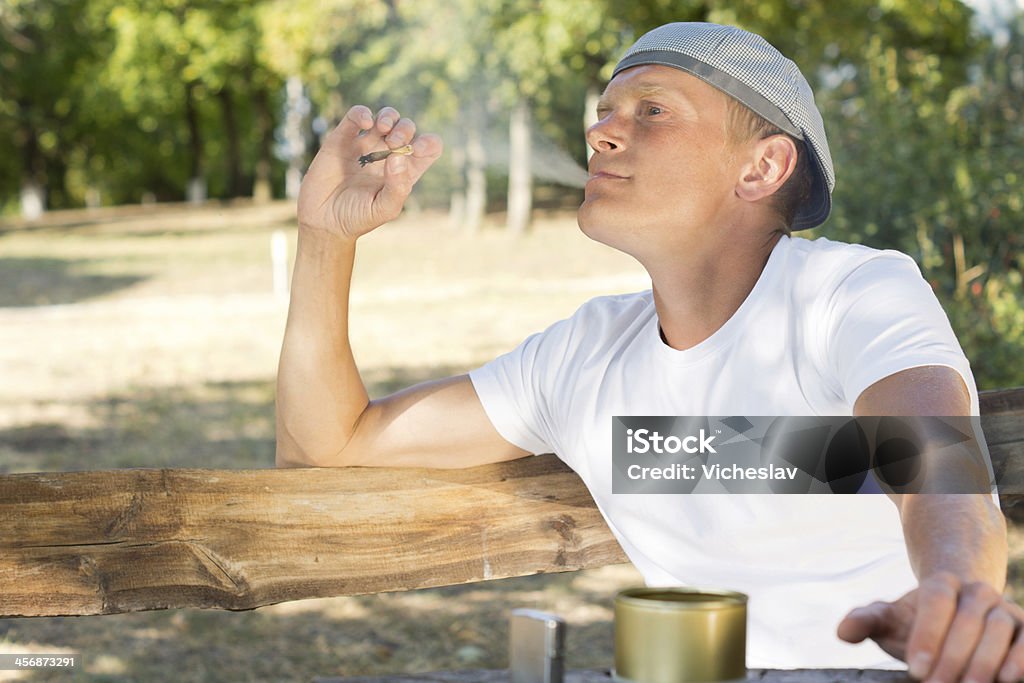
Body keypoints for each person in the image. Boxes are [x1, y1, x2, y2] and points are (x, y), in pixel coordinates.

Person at [275, 21, 1021, 682]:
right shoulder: (581, 357)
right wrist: (326, 236)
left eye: (652, 111)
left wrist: (956, 591)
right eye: (604, 113)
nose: (601, 132)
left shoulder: (851, 291)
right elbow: (328, 446)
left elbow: (937, 461)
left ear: (761, 168)